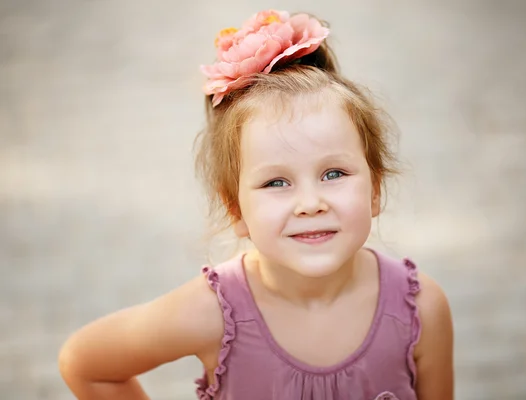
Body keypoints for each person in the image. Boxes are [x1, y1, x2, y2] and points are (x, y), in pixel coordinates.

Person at [58, 9, 454, 400]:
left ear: (375, 190)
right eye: (275, 182)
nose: (310, 204)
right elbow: (86, 365)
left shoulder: (419, 311)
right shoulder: (211, 315)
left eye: (334, 173)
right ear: (236, 211)